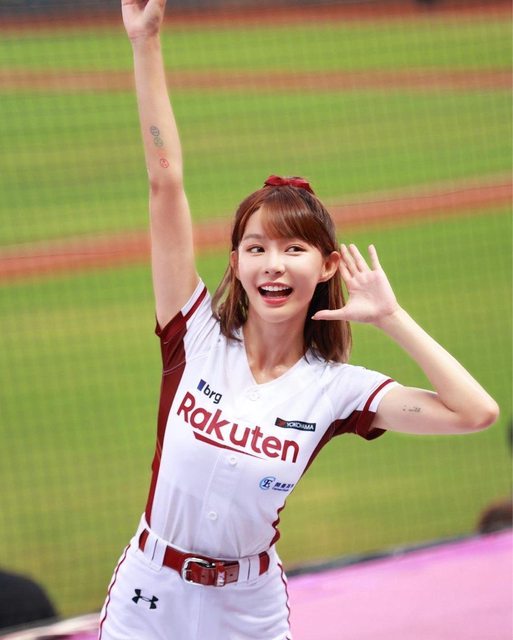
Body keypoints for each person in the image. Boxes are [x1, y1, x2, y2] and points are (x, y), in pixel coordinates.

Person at [99, 1, 499, 638]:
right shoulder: (192, 333)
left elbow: (476, 413)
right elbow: (164, 184)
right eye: (256, 247)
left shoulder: (337, 389)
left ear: (327, 264)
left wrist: (393, 318)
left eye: (293, 249)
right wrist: (144, 43)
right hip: (149, 597)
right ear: (235, 262)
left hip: (247, 610)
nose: (273, 265)